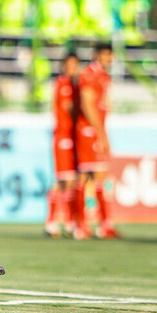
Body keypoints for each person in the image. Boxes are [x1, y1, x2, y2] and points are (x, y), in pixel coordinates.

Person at [74, 43, 118, 239]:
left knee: (98, 176)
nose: (108, 59)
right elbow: (87, 104)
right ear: (96, 56)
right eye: (104, 55)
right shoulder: (89, 74)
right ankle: (83, 225)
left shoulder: (103, 76)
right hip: (88, 131)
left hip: (96, 130)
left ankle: (101, 224)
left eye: (110, 55)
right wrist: (101, 133)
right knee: (87, 176)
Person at [45, 53, 80, 238]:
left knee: (68, 181)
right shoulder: (63, 83)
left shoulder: (74, 84)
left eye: (75, 65)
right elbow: (68, 107)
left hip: (70, 136)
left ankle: (63, 221)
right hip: (63, 136)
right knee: (64, 180)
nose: (72, 69)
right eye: (69, 65)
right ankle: (55, 222)